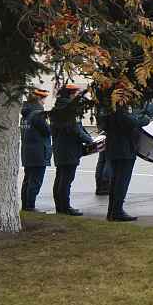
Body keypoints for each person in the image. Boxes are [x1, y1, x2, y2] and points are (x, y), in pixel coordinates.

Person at [102, 93, 153, 222]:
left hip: (114, 150)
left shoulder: (109, 112)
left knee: (115, 181)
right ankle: (117, 211)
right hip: (124, 151)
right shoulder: (120, 113)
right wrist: (146, 119)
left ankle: (112, 210)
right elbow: (134, 122)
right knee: (121, 182)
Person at [49, 84, 93, 215]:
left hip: (60, 147)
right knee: (66, 180)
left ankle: (60, 206)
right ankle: (65, 207)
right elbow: (76, 129)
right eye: (75, 94)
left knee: (60, 178)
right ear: (70, 94)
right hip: (69, 149)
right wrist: (89, 140)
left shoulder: (57, 108)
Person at [20, 88, 52, 211]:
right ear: (39, 99)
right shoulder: (38, 114)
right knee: (35, 181)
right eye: (43, 100)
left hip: (28, 151)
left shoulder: (25, 114)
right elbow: (47, 131)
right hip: (38, 151)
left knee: (27, 180)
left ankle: (26, 206)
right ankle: (30, 206)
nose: (44, 103)